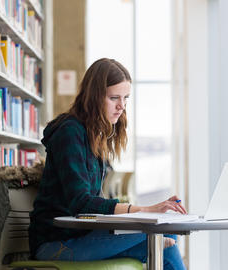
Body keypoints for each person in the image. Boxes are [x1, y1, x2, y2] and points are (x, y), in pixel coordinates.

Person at [29, 58, 187, 269]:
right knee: (160, 233)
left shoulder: (95, 134)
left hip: (82, 237)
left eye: (126, 98)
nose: (121, 106)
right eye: (114, 98)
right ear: (94, 97)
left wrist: (145, 212)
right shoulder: (70, 132)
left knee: (164, 240)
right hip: (56, 244)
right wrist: (145, 210)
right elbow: (81, 203)